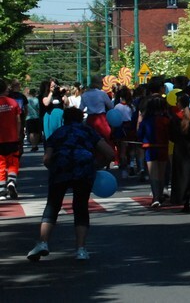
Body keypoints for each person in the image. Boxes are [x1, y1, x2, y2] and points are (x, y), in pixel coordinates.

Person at [27, 107, 114, 261]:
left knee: (53, 205)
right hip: (84, 168)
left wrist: (53, 169)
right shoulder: (88, 132)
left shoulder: (58, 133)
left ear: (64, 119)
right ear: (81, 118)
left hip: (61, 168)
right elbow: (110, 153)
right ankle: (81, 249)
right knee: (80, 207)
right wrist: (96, 165)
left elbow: (47, 158)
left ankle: (43, 243)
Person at [137, 95, 171, 208]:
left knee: (153, 174)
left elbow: (139, 134)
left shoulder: (146, 121)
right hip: (163, 147)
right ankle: (160, 195)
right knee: (161, 173)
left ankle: (155, 197)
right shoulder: (166, 120)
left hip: (150, 148)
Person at [0, 81, 23, 199]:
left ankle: (1, 190)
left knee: (1, 163)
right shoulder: (13, 102)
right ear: (5, 89)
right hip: (12, 138)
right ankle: (12, 181)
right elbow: (18, 120)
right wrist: (18, 134)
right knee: (13, 161)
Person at [25, 88, 41, 152]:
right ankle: (36, 144)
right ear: (35, 93)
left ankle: (33, 145)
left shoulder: (27, 100)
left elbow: (25, 108)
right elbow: (38, 108)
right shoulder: (36, 100)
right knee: (37, 132)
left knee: (31, 132)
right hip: (36, 117)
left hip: (28, 117)